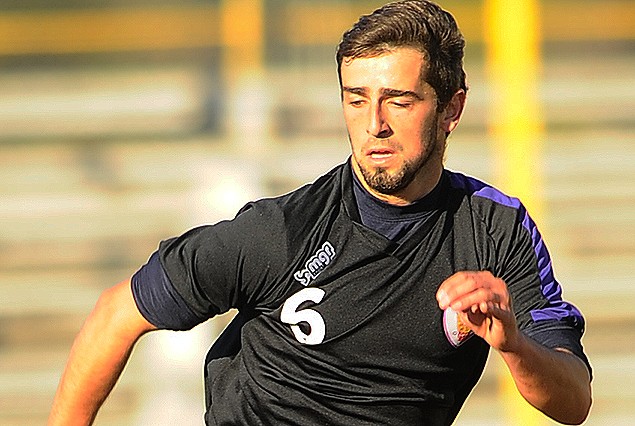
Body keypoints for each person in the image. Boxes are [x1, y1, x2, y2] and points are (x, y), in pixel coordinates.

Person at [48, 1, 592, 425]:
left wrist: (515, 343)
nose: (374, 123)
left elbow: (573, 402)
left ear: (452, 107)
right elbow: (116, 314)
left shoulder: (495, 232)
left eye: (398, 100)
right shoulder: (279, 234)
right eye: (356, 100)